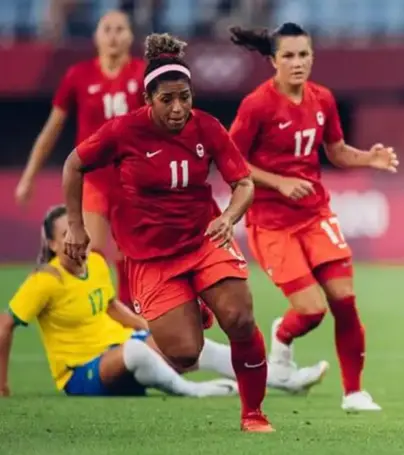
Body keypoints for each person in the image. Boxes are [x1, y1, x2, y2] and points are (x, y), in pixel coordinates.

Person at [61, 33, 272, 432]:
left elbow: (244, 183)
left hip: (204, 239)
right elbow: (74, 164)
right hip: (151, 257)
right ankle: (197, 305)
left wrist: (229, 217)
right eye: (167, 100)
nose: (178, 108)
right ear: (148, 99)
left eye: (185, 97)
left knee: (240, 318)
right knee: (184, 353)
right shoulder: (122, 131)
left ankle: (253, 413)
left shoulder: (207, 127)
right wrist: (76, 225)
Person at [228, 23, 398, 412]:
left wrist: (368, 158)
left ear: (312, 57)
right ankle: (282, 339)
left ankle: (354, 393)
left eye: (303, 54)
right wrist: (280, 182)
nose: (297, 62)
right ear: (273, 61)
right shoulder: (257, 105)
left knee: (344, 300)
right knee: (311, 310)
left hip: (314, 214)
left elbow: (336, 151)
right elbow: (231, 160)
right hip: (271, 222)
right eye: (288, 55)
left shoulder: (322, 99)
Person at [0, 205, 242, 398]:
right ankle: (193, 391)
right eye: (65, 235)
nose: (75, 238)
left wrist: (148, 328)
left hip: (120, 347)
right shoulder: (45, 280)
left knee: (187, 344)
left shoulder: (96, 263)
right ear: (52, 244)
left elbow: (110, 306)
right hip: (80, 371)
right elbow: (5, 326)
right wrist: (2, 384)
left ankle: (262, 376)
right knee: (136, 352)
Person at [15, 10, 143, 313]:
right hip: (92, 178)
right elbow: (51, 130)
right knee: (92, 253)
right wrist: (28, 177)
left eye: (120, 29)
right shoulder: (78, 75)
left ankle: (133, 323)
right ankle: (98, 317)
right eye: (107, 29)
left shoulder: (142, 73)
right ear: (96, 36)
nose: (113, 36)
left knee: (130, 256)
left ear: (130, 36)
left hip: (132, 179)